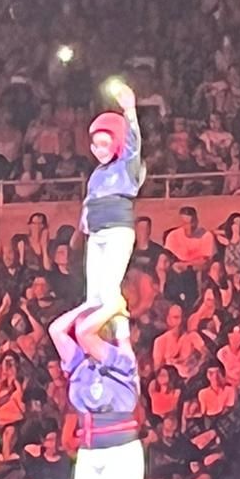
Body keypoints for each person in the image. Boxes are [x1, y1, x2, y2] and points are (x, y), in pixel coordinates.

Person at [48, 294, 143, 479]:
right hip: (90, 454)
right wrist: (85, 305)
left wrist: (112, 303)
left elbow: (85, 332)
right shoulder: (79, 364)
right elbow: (56, 330)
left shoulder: (121, 360)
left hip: (120, 452)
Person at [77, 81, 143, 308]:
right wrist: (84, 222)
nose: (99, 150)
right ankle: (97, 339)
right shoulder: (96, 174)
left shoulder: (125, 166)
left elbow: (134, 146)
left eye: (105, 144)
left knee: (109, 291)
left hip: (117, 231)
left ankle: (121, 340)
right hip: (96, 235)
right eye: (95, 146)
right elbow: (89, 201)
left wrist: (129, 111)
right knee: (93, 296)